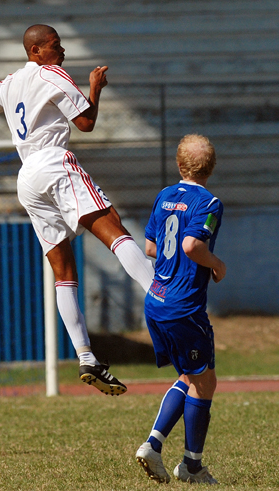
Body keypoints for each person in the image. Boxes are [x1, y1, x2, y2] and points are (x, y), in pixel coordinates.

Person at [0, 24, 155, 396]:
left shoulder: (8, 83)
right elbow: (85, 123)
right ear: (36, 50)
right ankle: (162, 296)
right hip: (55, 163)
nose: (63, 50)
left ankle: (85, 355)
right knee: (114, 228)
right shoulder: (52, 73)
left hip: (27, 179)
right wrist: (95, 90)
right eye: (55, 46)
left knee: (63, 270)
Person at [135, 134, 226, 484]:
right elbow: (190, 245)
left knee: (191, 377)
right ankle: (187, 465)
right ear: (211, 167)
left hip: (156, 301)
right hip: (183, 307)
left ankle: (163, 450)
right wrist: (217, 264)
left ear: (178, 164)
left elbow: (149, 248)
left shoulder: (165, 195)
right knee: (204, 382)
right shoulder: (210, 202)